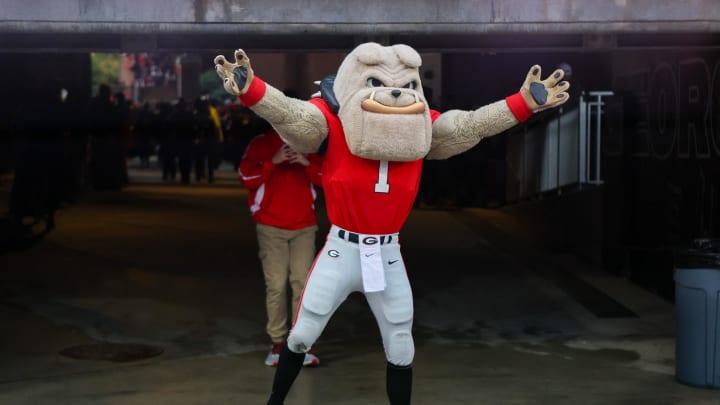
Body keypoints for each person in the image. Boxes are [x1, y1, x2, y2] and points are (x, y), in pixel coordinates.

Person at [215, 42, 569, 404]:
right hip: (341, 248)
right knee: (302, 335)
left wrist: (523, 104)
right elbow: (295, 117)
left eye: (405, 84)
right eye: (376, 81)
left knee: (401, 345)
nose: (394, 91)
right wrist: (252, 89)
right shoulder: (335, 119)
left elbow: (470, 125)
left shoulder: (423, 126)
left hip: (386, 252)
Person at [238, 120, 324, 367]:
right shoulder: (262, 143)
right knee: (276, 285)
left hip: (304, 227)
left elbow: (326, 179)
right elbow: (246, 177)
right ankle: (277, 343)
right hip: (271, 226)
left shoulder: (309, 143)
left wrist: (306, 162)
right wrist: (272, 162)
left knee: (302, 284)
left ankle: (300, 344)